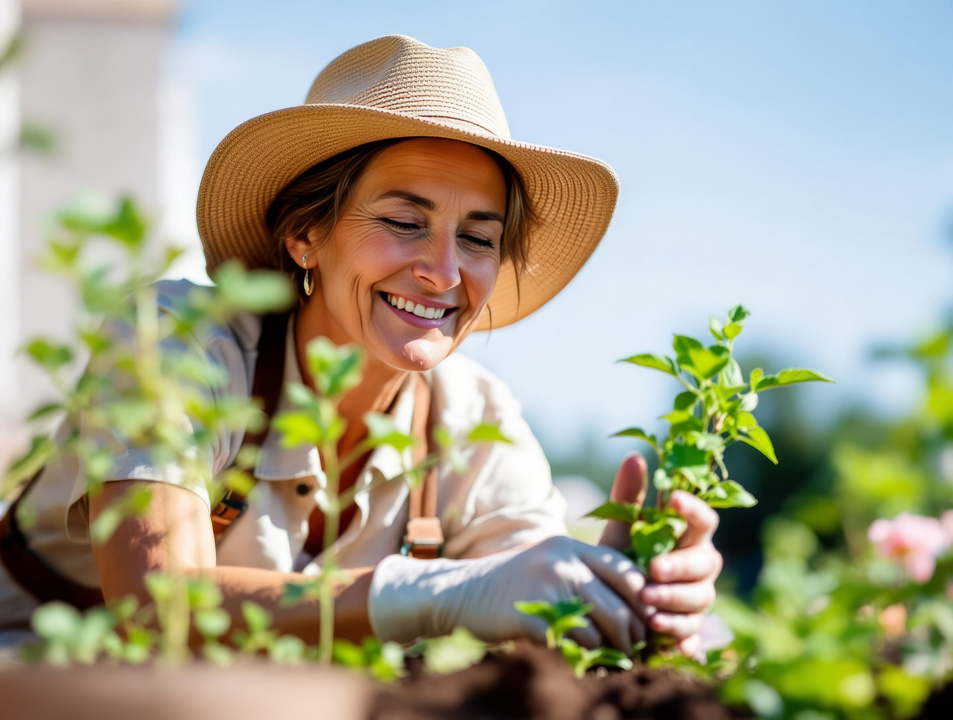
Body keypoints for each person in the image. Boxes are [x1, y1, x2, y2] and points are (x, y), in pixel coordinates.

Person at [0, 35, 721, 654]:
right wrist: (430, 592)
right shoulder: (182, 343)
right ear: (305, 235)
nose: (442, 272)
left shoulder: (473, 420)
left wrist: (625, 592)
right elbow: (156, 611)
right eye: (405, 222)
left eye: (476, 238)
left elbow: (528, 606)